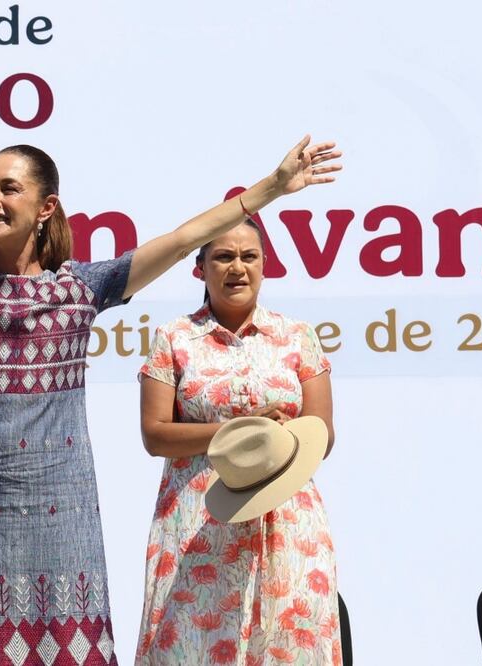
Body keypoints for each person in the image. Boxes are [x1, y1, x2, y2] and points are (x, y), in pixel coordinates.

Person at [0, 63, 340, 664]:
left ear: (46, 206)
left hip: (62, 521)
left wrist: (271, 188)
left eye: (8, 188)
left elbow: (185, 239)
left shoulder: (80, 290)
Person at [134, 219, 342, 665]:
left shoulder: (297, 336)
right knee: (193, 648)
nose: (237, 268)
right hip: (197, 522)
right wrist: (241, 432)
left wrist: (275, 436)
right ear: (200, 267)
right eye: (223, 257)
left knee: (288, 647)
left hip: (287, 522)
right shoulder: (174, 337)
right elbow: (155, 434)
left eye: (249, 257)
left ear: (265, 265)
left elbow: (322, 432)